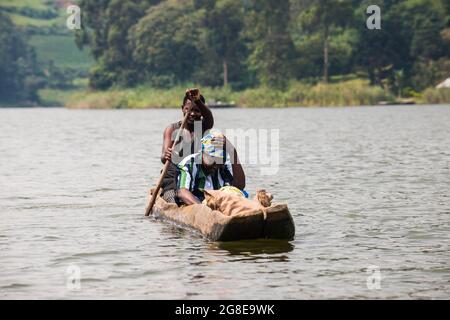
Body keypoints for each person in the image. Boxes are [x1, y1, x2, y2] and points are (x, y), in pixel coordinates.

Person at [160, 89, 214, 203]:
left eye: (197, 110)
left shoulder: (202, 126)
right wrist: (166, 155)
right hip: (173, 178)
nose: (193, 114)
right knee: (172, 199)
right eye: (188, 109)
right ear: (182, 109)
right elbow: (163, 158)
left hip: (196, 177)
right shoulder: (172, 129)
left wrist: (197, 100)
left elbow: (209, 119)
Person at [177, 130, 246, 205]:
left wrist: (233, 152)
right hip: (196, 201)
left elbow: (240, 186)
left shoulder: (224, 164)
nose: (216, 164)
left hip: (217, 200)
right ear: (203, 154)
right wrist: (204, 209)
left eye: (219, 158)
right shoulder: (189, 163)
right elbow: (182, 192)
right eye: (212, 158)